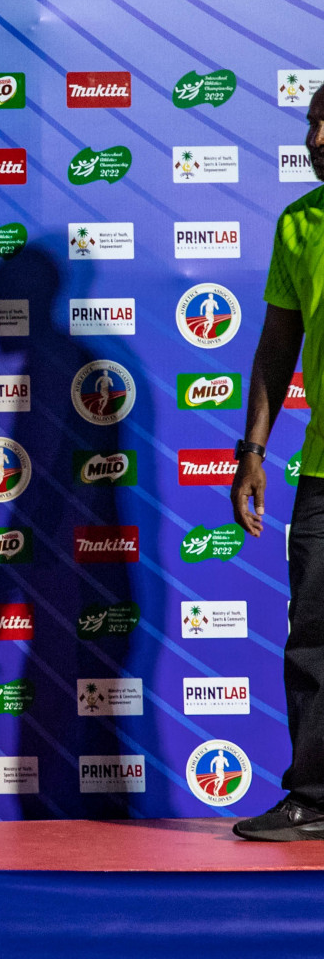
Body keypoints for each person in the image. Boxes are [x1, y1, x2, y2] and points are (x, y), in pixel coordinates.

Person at [231, 81, 324, 841]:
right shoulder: (299, 223)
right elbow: (275, 346)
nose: (316, 138)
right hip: (322, 470)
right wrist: (253, 450)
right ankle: (316, 799)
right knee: (315, 638)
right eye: (312, 123)